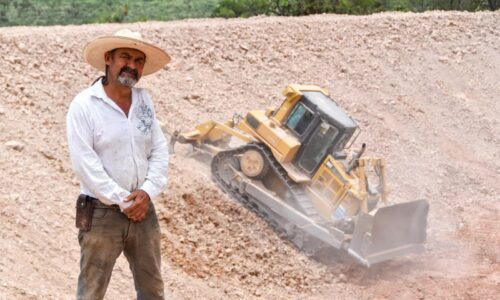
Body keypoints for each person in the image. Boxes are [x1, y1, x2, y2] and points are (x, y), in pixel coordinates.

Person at [66, 29, 171, 300]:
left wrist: (147, 192)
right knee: (91, 292)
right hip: (101, 212)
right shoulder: (85, 105)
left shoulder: (144, 101)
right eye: (126, 57)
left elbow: (159, 149)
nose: (132, 66)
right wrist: (124, 201)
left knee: (153, 290)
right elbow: (85, 164)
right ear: (108, 58)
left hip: (143, 209)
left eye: (139, 61)